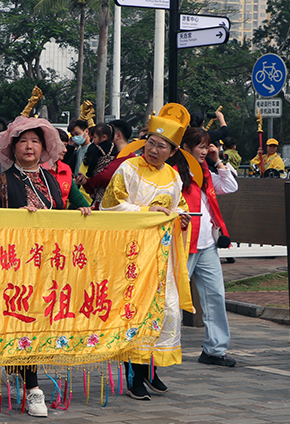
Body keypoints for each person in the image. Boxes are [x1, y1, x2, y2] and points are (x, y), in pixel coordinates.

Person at [0, 115, 91, 417]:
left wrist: (79, 211)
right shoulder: (1, 182)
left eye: (35, 141)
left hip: (47, 265)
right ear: (13, 147)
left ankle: (15, 365)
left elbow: (60, 213)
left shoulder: (51, 180)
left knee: (37, 323)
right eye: (23, 141)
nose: (29, 146)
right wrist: (14, 218)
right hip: (16, 266)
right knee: (25, 320)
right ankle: (33, 389)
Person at [101, 103, 192, 400]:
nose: (154, 150)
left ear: (173, 152)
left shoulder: (174, 177)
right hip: (132, 256)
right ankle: (135, 375)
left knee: (165, 310)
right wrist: (146, 211)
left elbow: (180, 207)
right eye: (151, 142)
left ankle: (149, 367)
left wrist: (181, 218)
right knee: (135, 312)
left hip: (161, 256)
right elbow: (111, 206)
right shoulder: (128, 168)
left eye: (161, 146)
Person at [172, 127, 238, 368]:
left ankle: (215, 349)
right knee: (172, 297)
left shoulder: (205, 170)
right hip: (183, 243)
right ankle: (158, 347)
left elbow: (230, 187)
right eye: (201, 146)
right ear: (186, 147)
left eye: (207, 145)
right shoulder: (174, 172)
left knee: (215, 296)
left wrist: (218, 159)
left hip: (207, 244)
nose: (205, 150)